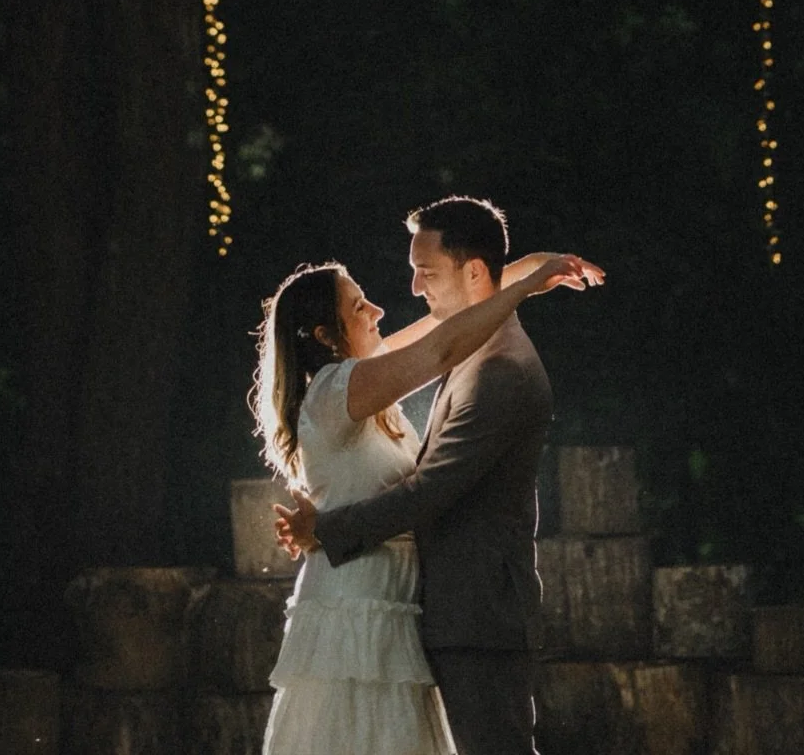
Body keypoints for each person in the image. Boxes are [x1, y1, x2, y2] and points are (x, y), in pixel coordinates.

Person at [255, 215, 601, 755]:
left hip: (395, 602)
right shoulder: (340, 387)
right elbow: (440, 347)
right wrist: (526, 285)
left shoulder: (363, 377)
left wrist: (526, 272)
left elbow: (443, 329)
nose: (381, 311)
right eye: (358, 308)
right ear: (325, 337)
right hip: (358, 603)